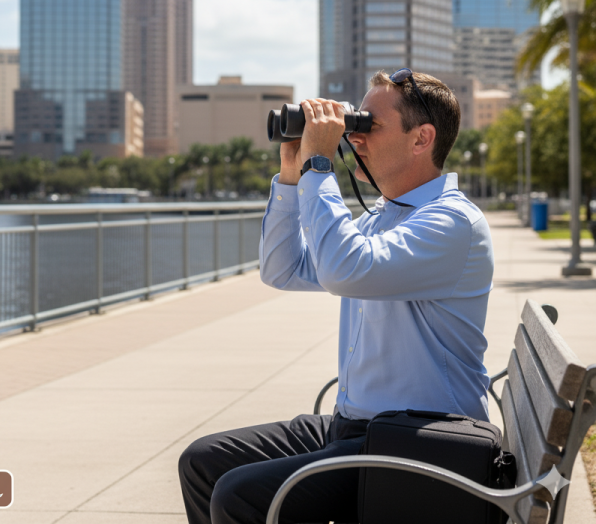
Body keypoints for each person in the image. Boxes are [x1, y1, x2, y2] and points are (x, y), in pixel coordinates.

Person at [178, 69, 494, 524]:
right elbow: (283, 270)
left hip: (420, 443)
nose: (355, 138)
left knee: (240, 495)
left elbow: (346, 268)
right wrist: (291, 175)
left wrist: (320, 166)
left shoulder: (451, 223)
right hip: (360, 428)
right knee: (203, 460)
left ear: (422, 138)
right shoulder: (382, 218)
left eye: (368, 125)